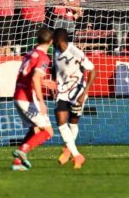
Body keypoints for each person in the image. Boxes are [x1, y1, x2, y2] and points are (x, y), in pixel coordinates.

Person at [11, 27, 55, 171]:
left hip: (17, 95)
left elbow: (29, 76)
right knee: (48, 132)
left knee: (35, 129)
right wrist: (41, 102)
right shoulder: (44, 57)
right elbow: (35, 78)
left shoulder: (29, 54)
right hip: (28, 98)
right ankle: (23, 150)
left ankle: (18, 162)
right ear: (51, 42)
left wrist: (45, 82)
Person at [51, 28, 95, 169]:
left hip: (77, 93)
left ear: (59, 40)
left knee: (73, 123)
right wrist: (54, 85)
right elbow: (55, 69)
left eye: (54, 39)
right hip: (62, 92)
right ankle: (77, 155)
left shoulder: (75, 52)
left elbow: (92, 70)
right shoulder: (55, 52)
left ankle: (69, 150)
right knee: (60, 120)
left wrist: (84, 93)